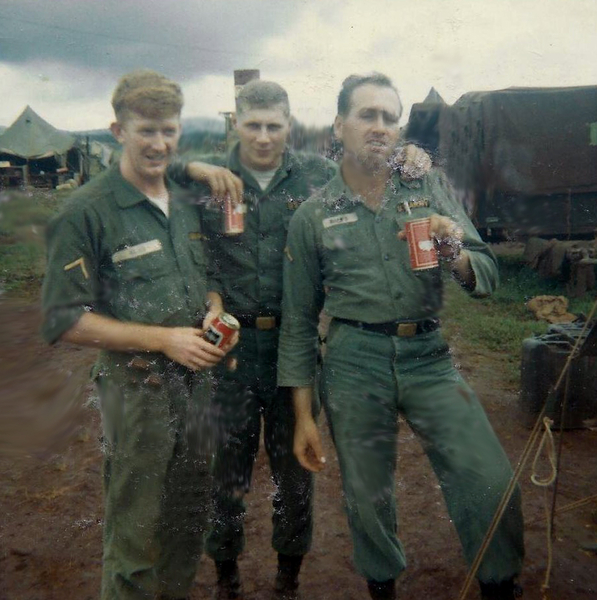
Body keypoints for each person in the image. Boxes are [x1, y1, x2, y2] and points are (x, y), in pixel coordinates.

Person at [170, 79, 431, 600]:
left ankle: (288, 576)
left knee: (295, 471)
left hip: (295, 344)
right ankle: (226, 574)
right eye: (253, 125)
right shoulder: (210, 179)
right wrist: (192, 168)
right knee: (226, 471)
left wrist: (410, 155)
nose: (264, 137)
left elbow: (370, 172)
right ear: (235, 124)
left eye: (274, 125)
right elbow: (144, 173)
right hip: (230, 350)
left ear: (289, 125)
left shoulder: (316, 174)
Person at [277, 73, 525, 600]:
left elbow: (486, 271)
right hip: (352, 360)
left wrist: (454, 249)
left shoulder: (427, 186)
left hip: (427, 355)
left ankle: (501, 585)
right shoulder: (314, 216)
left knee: (489, 479)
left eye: (390, 118)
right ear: (339, 125)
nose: (380, 127)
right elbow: (299, 322)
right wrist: (303, 415)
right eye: (367, 115)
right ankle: (382, 587)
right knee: (367, 497)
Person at [41, 70, 235, 600]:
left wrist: (214, 307)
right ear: (117, 130)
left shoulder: (184, 197)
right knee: (135, 534)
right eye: (145, 130)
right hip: (138, 392)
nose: (159, 143)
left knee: (188, 522)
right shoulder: (85, 211)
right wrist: (164, 339)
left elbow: (205, 276)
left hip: (199, 392)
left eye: (168, 131)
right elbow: (63, 318)